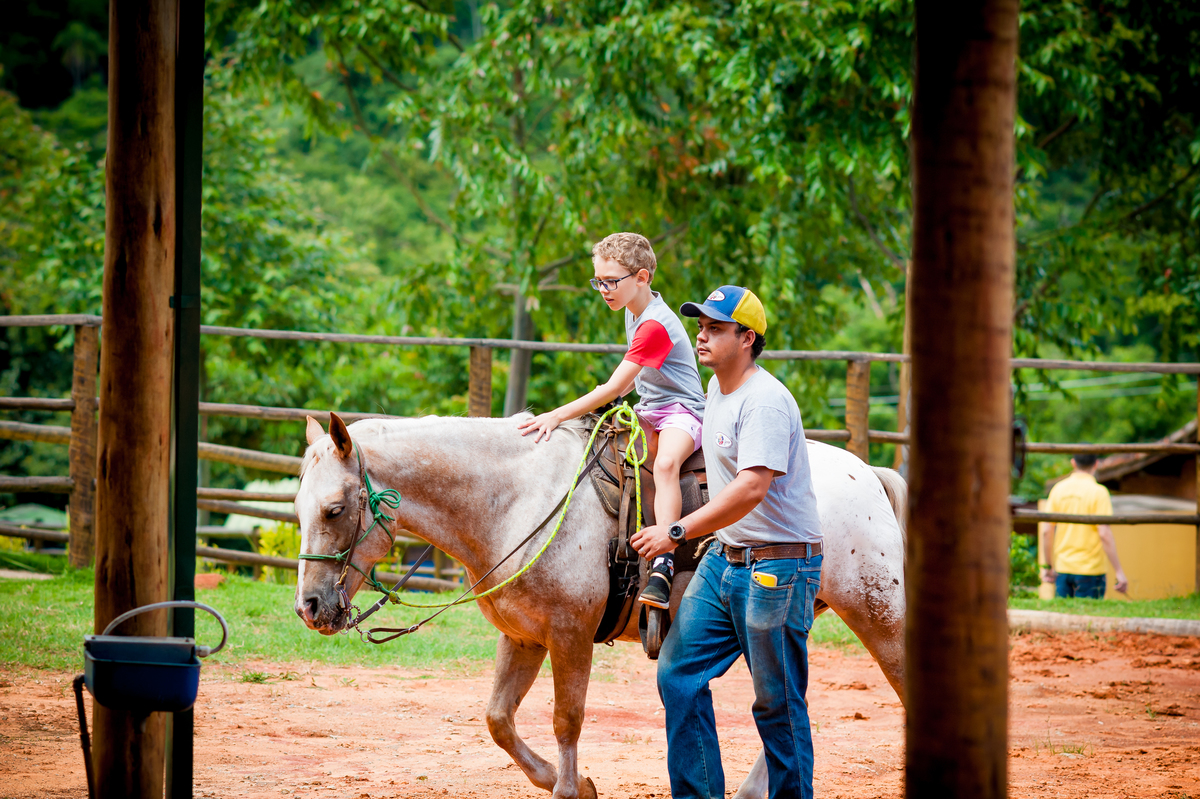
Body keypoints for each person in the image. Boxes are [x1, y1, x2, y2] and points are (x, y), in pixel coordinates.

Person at [631, 285, 823, 799]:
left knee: (777, 704)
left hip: (778, 566)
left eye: (716, 328)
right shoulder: (716, 391)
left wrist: (676, 531)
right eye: (700, 327)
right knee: (678, 674)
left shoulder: (765, 401)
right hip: (728, 559)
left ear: (747, 338)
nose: (701, 336)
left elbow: (752, 486)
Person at [518, 231, 706, 608]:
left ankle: (665, 557)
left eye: (610, 282)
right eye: (598, 282)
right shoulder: (633, 310)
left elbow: (614, 387)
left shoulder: (655, 324)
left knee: (666, 463)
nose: (603, 290)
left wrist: (556, 415)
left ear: (642, 278)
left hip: (682, 410)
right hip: (650, 408)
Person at [1041, 453, 1129, 598]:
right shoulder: (1099, 492)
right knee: (1089, 618)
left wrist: (1048, 566)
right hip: (1091, 570)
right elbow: (1104, 533)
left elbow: (1046, 531)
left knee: (1062, 618)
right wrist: (1118, 571)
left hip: (1063, 569)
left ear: (1073, 463)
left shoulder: (1058, 489)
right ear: (1096, 464)